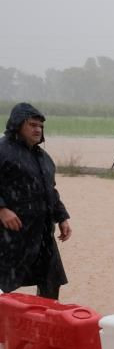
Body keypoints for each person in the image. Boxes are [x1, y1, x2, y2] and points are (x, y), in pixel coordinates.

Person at [0, 103, 72, 300]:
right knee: (3, 281)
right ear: (17, 125)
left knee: (51, 281)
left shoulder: (43, 158)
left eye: (40, 126)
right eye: (32, 125)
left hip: (41, 233)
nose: (38, 130)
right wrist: (2, 209)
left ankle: (45, 323)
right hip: (10, 235)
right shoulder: (2, 151)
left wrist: (62, 217)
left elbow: (50, 191)